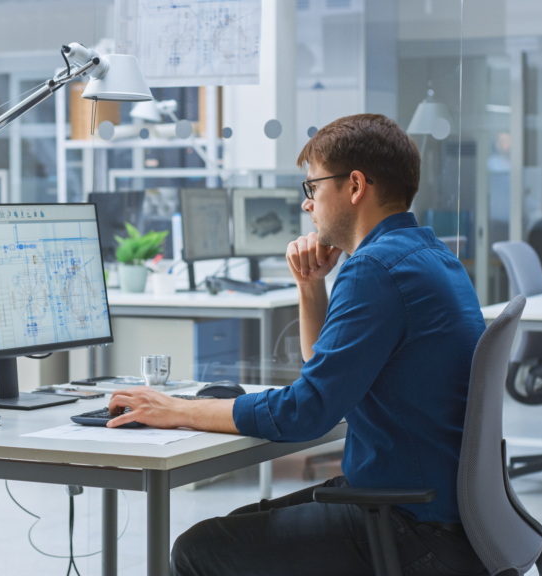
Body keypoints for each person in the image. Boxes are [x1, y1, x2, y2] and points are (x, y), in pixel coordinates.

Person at [106, 114, 488, 575]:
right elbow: (323, 372)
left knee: (199, 549)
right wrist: (311, 286)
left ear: (355, 186)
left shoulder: (375, 271)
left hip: (412, 531)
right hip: (443, 516)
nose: (307, 205)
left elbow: (306, 411)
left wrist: (177, 410)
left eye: (313, 187)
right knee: (236, 529)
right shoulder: (428, 254)